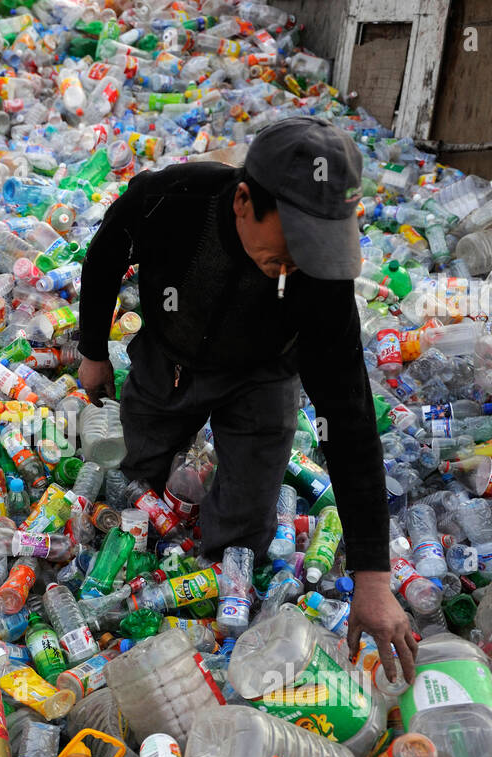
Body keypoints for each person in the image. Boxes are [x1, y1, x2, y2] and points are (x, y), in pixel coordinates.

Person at [76, 116, 417, 681]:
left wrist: (374, 580)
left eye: (316, 250)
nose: (295, 267)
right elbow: (107, 255)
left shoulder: (319, 280)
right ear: (242, 201)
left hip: (262, 377)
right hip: (170, 359)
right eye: (290, 246)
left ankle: (209, 623)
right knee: (134, 484)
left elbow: (349, 421)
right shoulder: (171, 199)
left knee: (241, 537)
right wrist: (92, 351)